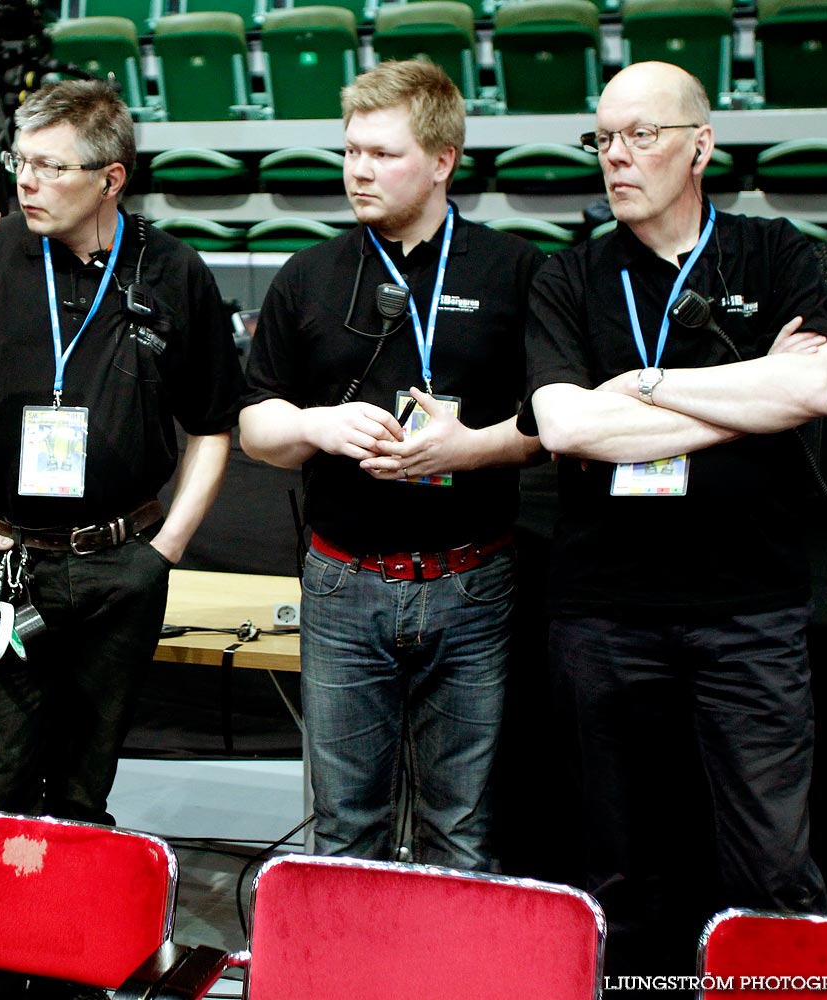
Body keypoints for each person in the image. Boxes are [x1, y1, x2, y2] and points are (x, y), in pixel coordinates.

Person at [0, 78, 242, 999]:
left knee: (84, 794)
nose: (28, 182)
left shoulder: (172, 271)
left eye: (52, 167)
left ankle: (65, 973)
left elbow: (215, 422)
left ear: (111, 179)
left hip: (118, 568)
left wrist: (165, 547)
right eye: (21, 161)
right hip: (4, 564)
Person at [524, 61, 827, 987]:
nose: (616, 158)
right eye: (603, 139)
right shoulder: (565, 275)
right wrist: (749, 400)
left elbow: (815, 386)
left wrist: (647, 385)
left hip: (749, 611)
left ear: (700, 145)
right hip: (604, 614)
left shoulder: (780, 251)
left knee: (772, 862)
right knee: (618, 864)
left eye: (640, 135)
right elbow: (566, 424)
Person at [239, 59, 544, 867]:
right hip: (344, 584)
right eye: (350, 152)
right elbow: (253, 428)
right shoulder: (309, 275)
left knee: (463, 831)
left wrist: (469, 446)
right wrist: (317, 425)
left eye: (382, 154)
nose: (359, 172)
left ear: (442, 160)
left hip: (471, 581)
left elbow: (549, 427)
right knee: (345, 831)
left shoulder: (512, 270)